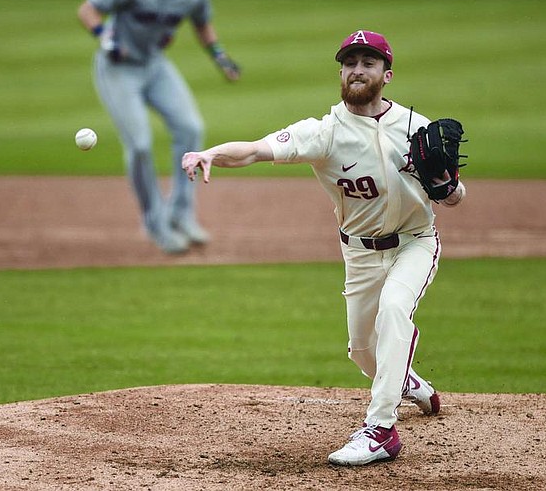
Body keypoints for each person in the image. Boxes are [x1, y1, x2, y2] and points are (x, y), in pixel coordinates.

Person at [181, 29, 466, 466]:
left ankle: (382, 431)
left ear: (386, 75)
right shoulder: (325, 133)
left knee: (394, 310)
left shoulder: (417, 127)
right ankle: (407, 383)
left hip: (414, 243)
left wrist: (446, 185)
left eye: (367, 63)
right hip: (359, 254)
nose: (357, 70)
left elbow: (454, 197)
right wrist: (211, 154)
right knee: (361, 351)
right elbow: (256, 150)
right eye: (350, 62)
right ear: (341, 72)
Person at [77, 0, 240, 254]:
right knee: (138, 145)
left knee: (191, 128)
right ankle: (155, 223)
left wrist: (220, 57)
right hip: (118, 69)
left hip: (154, 65)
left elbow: (201, 23)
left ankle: (181, 213)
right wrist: (106, 39)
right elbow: (88, 9)